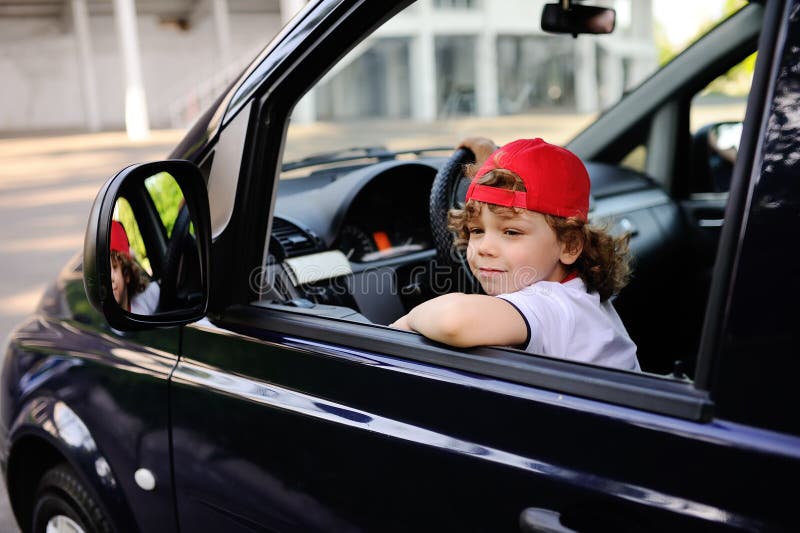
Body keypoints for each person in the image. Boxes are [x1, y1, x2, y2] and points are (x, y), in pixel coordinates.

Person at [390, 137, 639, 371]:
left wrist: (408, 321)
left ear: (570, 245)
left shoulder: (553, 305)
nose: (484, 247)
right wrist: (491, 156)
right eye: (476, 230)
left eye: (511, 232)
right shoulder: (579, 289)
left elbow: (454, 321)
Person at [110, 220, 160, 315]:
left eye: (114, 267)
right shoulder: (102, 321)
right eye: (102, 270)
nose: (108, 277)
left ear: (127, 274)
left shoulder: (147, 297)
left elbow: (168, 288)